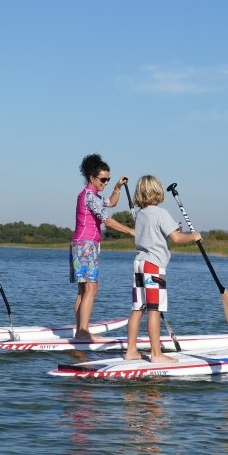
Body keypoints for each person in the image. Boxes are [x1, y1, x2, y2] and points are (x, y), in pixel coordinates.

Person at [124, 175, 201, 363]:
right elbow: (176, 239)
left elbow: (154, 233)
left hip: (139, 264)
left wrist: (173, 227)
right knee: (154, 310)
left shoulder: (141, 214)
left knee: (138, 308)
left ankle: (131, 351)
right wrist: (193, 237)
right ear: (157, 191)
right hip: (153, 266)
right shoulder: (161, 213)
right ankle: (156, 354)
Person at [71, 153, 136, 339]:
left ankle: (80, 332)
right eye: (103, 179)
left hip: (82, 244)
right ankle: (83, 332)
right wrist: (132, 232)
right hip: (86, 245)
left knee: (84, 290)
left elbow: (112, 203)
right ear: (92, 177)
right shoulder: (90, 197)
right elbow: (107, 221)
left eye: (108, 179)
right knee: (90, 289)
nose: (105, 183)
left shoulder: (95, 196)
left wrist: (117, 187)